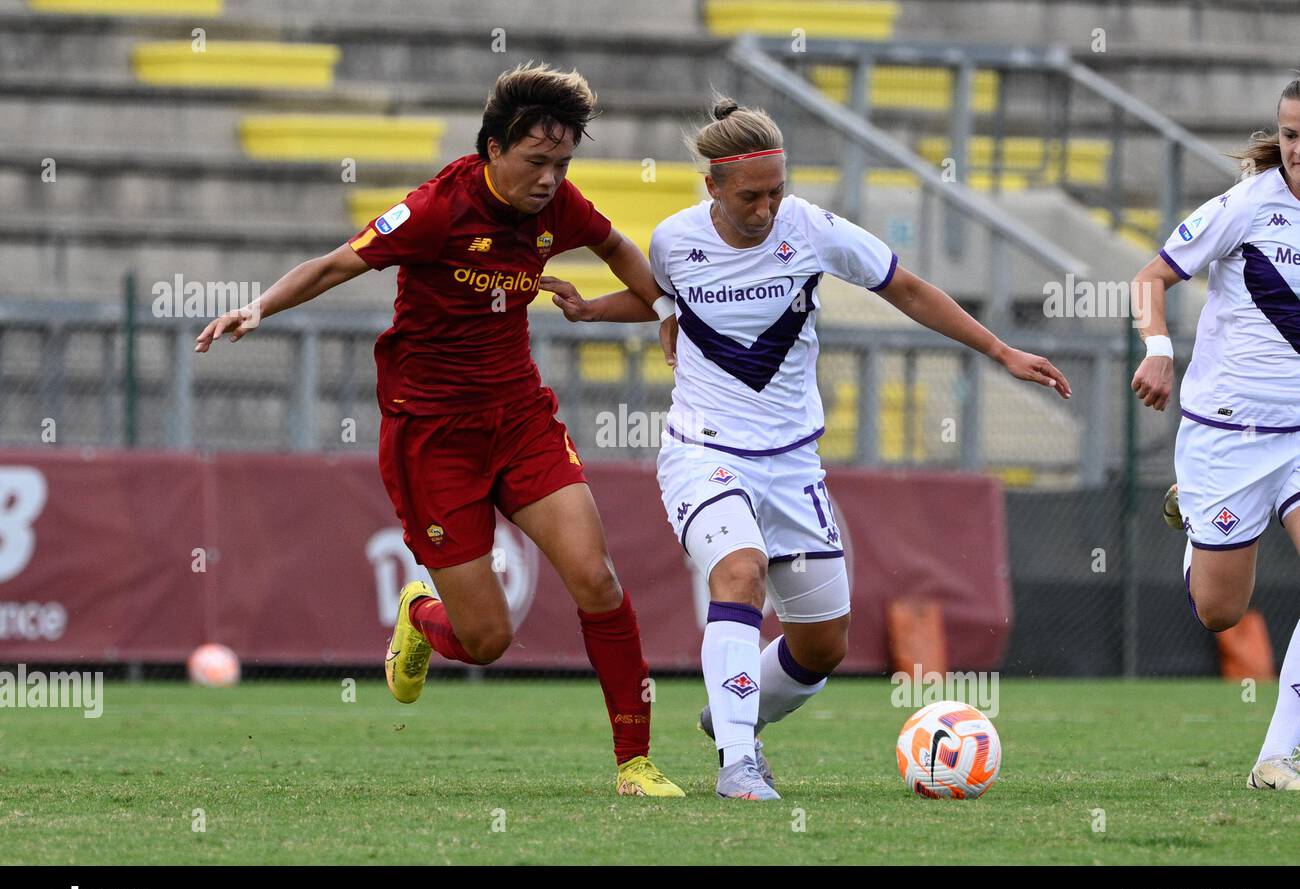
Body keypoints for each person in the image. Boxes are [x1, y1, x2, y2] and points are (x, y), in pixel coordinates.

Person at [544, 96, 1071, 799]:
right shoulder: (674, 239)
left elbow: (906, 289)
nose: (765, 209)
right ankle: (738, 760)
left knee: (821, 647)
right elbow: (661, 295)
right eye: (749, 196)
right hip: (705, 451)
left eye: (775, 192)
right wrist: (594, 308)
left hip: (793, 461)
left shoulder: (813, 232)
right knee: (739, 572)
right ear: (713, 189)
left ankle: (731, 713)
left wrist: (999, 348)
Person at [194, 64, 683, 798]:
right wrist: (260, 307)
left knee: (597, 577)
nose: (551, 179)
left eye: (563, 164)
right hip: (433, 438)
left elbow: (616, 246)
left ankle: (635, 764)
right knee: (486, 642)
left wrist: (657, 306)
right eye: (537, 162)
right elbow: (334, 265)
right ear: (493, 149)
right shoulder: (434, 211)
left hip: (520, 419)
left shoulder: (561, 208)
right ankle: (420, 616)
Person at [1133, 78, 1300, 790]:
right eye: (1290, 137)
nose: (1297, 152)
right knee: (1219, 612)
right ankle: (1197, 518)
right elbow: (1150, 277)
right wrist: (1159, 350)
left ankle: (1277, 757)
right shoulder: (1247, 206)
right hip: (1227, 434)